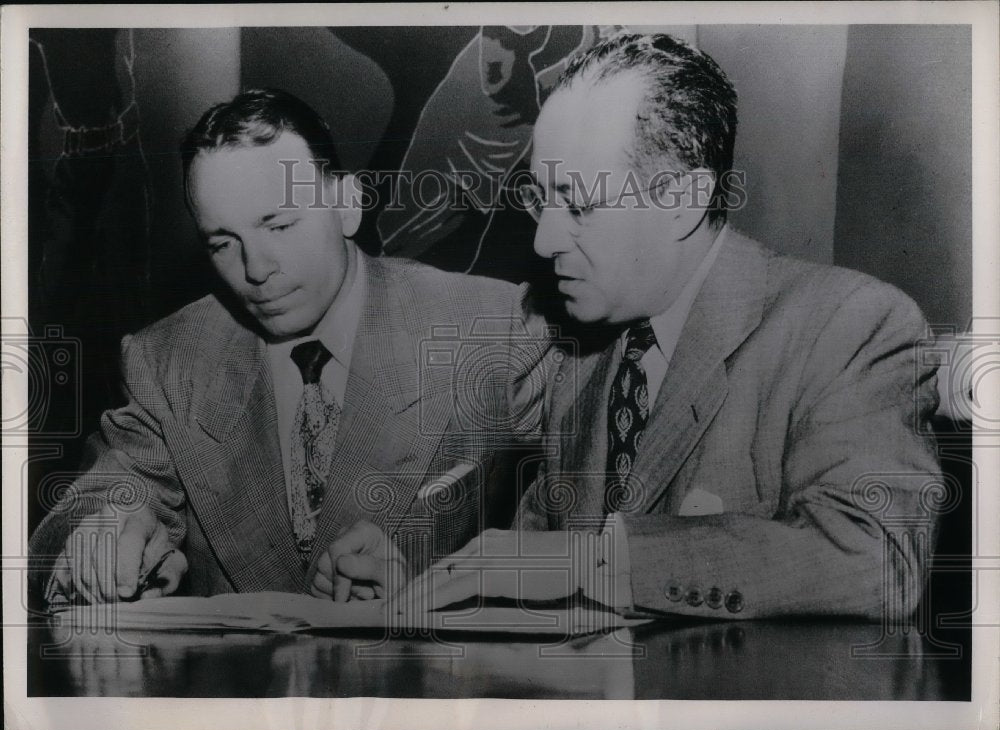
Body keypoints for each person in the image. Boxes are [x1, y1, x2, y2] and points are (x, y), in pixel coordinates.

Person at [415, 33, 942, 620]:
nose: (545, 240)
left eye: (579, 205)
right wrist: (410, 578)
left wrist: (596, 563)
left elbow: (878, 563)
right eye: (541, 201)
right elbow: (528, 564)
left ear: (683, 201)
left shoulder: (848, 325)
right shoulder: (578, 355)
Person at [29, 88, 543, 606]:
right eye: (222, 243)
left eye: (278, 225)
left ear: (346, 205)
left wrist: (437, 592)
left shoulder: (492, 327)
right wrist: (101, 536)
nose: (255, 270)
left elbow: (589, 531)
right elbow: (88, 504)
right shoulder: (166, 360)